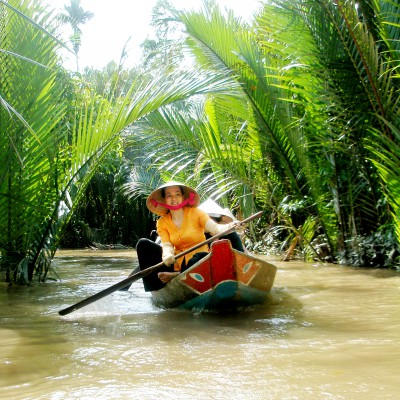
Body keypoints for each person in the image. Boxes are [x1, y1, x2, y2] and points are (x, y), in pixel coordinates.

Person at [135, 181, 241, 292]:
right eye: (169, 196)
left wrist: (231, 225)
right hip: (176, 262)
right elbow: (167, 244)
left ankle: (177, 275)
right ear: (164, 200)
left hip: (197, 262)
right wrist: (167, 255)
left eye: (177, 194)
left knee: (200, 256)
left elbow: (215, 229)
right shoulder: (162, 222)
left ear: (183, 197)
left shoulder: (196, 213)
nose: (174, 199)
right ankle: (157, 290)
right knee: (143, 244)